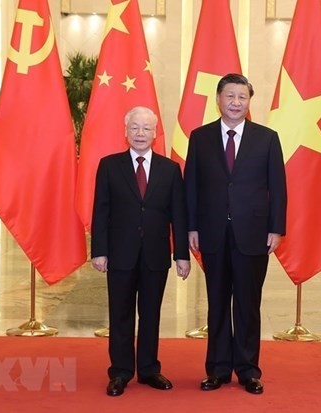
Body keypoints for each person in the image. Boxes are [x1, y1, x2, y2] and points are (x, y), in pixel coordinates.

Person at [184, 73, 287, 395]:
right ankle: (216, 369)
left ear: (249, 101)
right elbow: (191, 187)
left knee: (247, 303)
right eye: (230, 96)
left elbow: (278, 188)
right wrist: (192, 226)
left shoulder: (267, 138)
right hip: (212, 233)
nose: (235, 102)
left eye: (242, 97)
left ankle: (247, 370)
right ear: (219, 99)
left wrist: (276, 228)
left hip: (253, 233)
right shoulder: (200, 137)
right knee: (216, 303)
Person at [91, 106, 190, 397]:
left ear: (155, 133)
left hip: (156, 255)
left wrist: (181, 254)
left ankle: (149, 369)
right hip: (120, 254)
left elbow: (179, 215)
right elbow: (101, 211)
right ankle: (120, 372)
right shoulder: (109, 165)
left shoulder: (170, 169)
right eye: (134, 127)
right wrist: (99, 250)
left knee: (150, 314)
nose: (140, 133)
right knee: (120, 314)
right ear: (125, 131)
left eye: (146, 128)